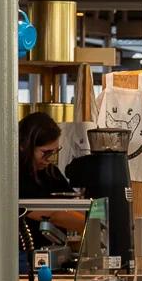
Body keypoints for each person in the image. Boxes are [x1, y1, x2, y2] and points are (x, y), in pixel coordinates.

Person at [17, 112, 86, 271]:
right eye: (45, 152)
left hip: (54, 254)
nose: (50, 158)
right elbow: (52, 214)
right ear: (24, 146)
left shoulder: (51, 172)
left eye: (54, 152)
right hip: (23, 258)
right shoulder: (15, 177)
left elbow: (73, 204)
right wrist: (91, 225)